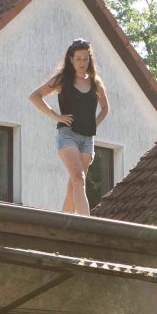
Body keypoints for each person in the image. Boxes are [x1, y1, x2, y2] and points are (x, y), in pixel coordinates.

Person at [29, 39, 109, 215]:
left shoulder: (95, 82)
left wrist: (94, 123)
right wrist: (56, 116)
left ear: (90, 59)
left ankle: (62, 225)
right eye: (78, 58)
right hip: (68, 135)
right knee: (79, 179)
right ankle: (87, 224)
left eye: (85, 58)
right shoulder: (62, 79)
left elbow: (105, 108)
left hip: (87, 139)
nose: (82, 62)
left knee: (75, 185)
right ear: (71, 59)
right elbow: (35, 96)